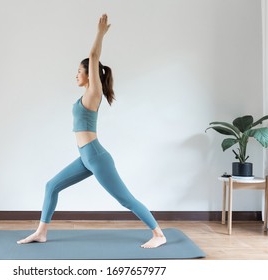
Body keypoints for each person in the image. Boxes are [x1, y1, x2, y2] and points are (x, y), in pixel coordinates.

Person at [17, 14, 166, 248]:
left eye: (79, 71)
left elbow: (94, 56)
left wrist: (100, 33)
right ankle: (41, 232)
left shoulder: (93, 93)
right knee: (51, 186)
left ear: (90, 74)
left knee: (125, 199)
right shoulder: (83, 96)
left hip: (96, 158)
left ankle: (159, 234)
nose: (76, 74)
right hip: (86, 158)